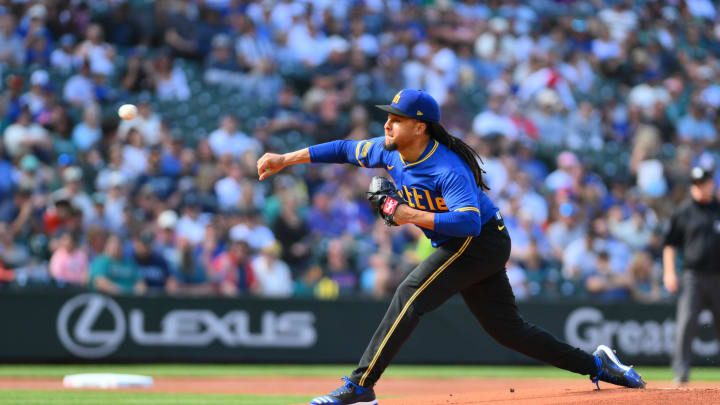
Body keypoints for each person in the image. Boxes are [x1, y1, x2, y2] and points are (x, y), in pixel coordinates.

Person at [257, 89, 645, 405]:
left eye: (397, 118)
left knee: (410, 294)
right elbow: (343, 149)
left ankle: (361, 385)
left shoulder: (446, 168)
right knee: (509, 332)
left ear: (420, 127)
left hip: (479, 241)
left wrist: (409, 216)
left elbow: (468, 221)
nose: (387, 123)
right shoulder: (387, 149)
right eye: (388, 116)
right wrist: (284, 159)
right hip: (463, 242)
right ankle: (599, 366)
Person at [663, 166, 720, 384]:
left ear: (711, 184)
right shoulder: (683, 212)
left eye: (703, 183)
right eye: (695, 184)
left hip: (718, 276)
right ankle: (681, 371)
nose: (699, 188)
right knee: (686, 324)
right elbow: (669, 244)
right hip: (693, 276)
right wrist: (669, 272)